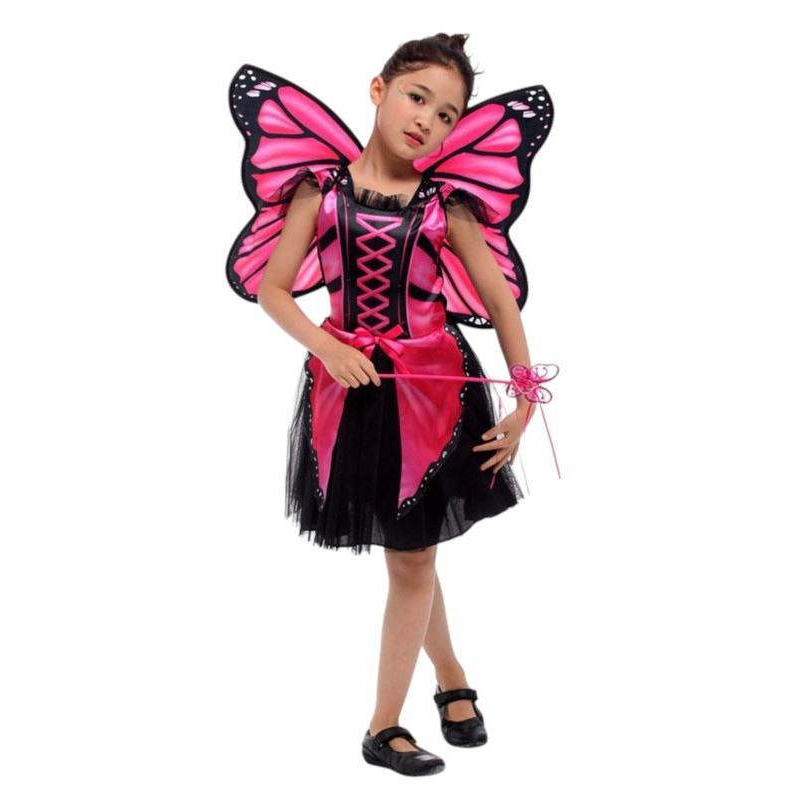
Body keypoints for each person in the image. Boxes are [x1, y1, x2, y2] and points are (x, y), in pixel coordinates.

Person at [227, 33, 554, 776]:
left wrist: (525, 401)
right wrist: (325, 346)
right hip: (352, 392)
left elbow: (500, 304)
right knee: (412, 555)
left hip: (435, 395)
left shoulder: (447, 205)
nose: (427, 122)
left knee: (412, 556)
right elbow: (274, 289)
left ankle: (384, 727)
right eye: (417, 98)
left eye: (446, 116)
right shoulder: (318, 189)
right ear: (378, 90)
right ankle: (449, 679)